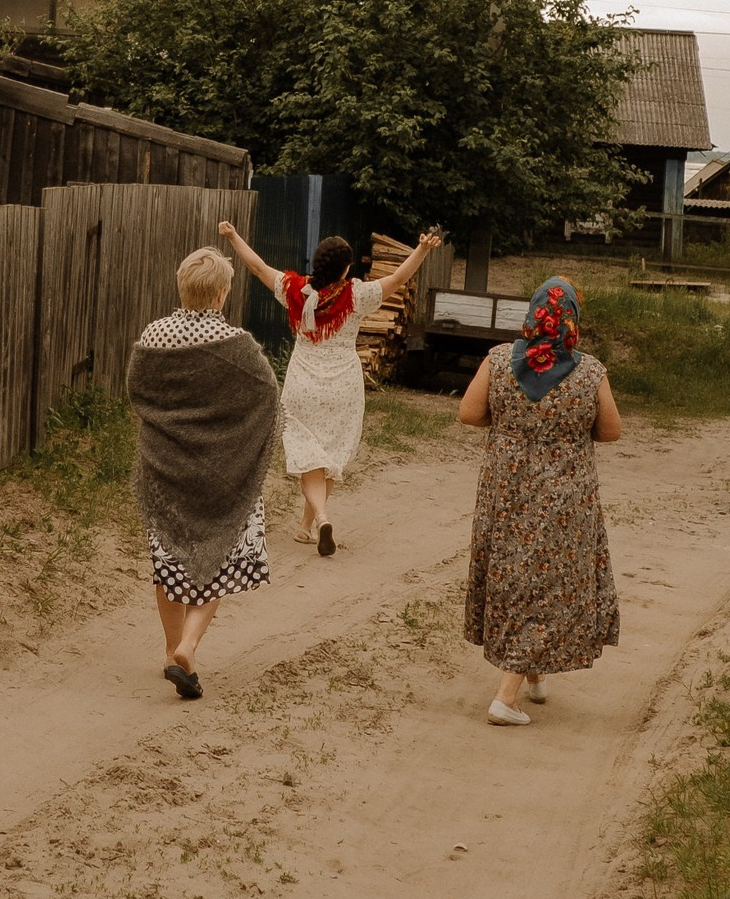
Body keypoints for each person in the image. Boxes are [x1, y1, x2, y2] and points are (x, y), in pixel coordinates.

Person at [218, 220, 444, 555]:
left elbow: (257, 266)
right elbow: (398, 279)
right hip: (343, 385)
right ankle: (315, 521)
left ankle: (313, 522)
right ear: (346, 268)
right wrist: (422, 249)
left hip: (302, 382)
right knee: (330, 454)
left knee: (310, 455)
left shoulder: (294, 290)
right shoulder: (356, 295)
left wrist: (234, 236)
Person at [458, 274, 623, 726]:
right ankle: (505, 697)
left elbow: (469, 413)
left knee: (516, 577)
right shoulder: (589, 371)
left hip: (506, 491)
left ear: (531, 315)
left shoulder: (497, 360)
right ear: (571, 319)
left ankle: (534, 674)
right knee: (550, 584)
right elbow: (610, 431)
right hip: (566, 496)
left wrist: (512, 422)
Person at [127, 244, 282, 700]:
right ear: (220, 294)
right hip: (223, 475)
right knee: (216, 559)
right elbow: (266, 397)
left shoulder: (153, 335)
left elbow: (138, 394)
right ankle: (189, 647)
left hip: (164, 470)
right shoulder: (235, 344)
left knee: (169, 562)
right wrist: (232, 439)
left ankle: (170, 649)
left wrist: (169, 429)